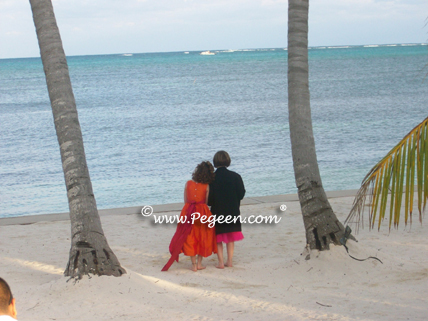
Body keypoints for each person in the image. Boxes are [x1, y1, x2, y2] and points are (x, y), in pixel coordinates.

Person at [162, 161, 217, 272]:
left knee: (190, 237)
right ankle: (199, 264)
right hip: (202, 211)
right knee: (202, 237)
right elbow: (205, 202)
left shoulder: (188, 183)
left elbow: (185, 200)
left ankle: (193, 264)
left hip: (188, 211)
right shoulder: (206, 186)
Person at [208, 151, 245, 269]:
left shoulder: (212, 178)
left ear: (215, 162)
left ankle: (220, 262)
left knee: (218, 238)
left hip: (217, 211)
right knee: (230, 238)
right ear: (228, 161)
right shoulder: (236, 176)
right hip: (232, 210)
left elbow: (209, 199)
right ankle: (229, 261)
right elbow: (241, 193)